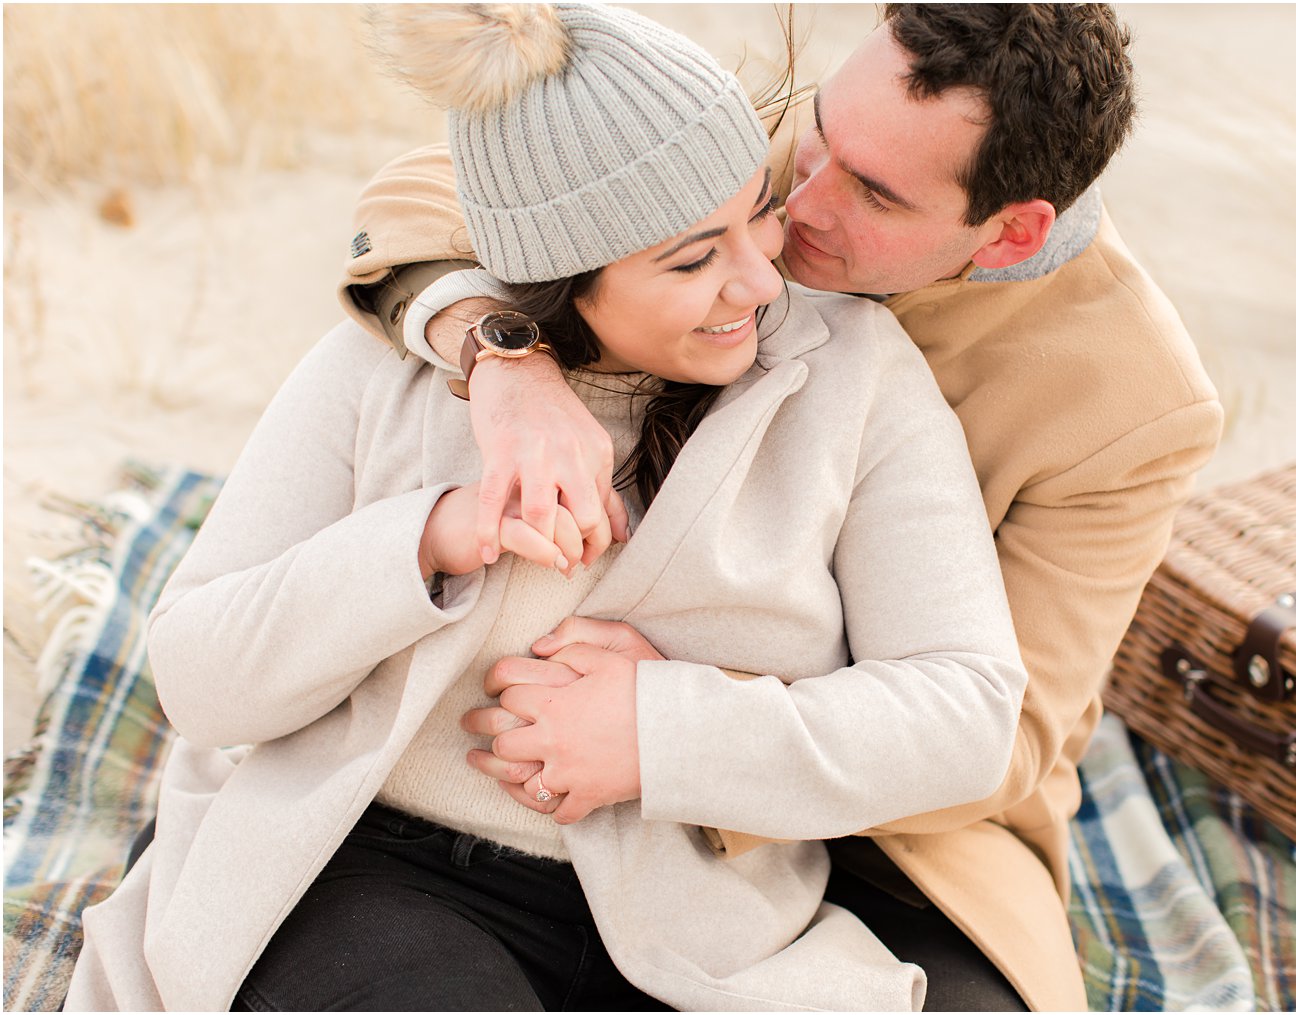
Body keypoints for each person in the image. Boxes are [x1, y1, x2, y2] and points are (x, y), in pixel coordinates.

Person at [63, 4, 1027, 1011]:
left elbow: (963, 711)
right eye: (690, 260)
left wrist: (664, 732)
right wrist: (421, 541)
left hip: (709, 923)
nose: (758, 278)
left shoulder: (854, 375)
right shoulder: (385, 368)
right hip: (383, 877)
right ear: (566, 279)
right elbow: (199, 677)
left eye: (761, 209)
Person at [340, 4, 1225, 1010]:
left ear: (1011, 230)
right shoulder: (791, 145)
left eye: (875, 197)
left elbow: (1005, 738)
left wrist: (675, 719)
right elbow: (425, 186)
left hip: (888, 836)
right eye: (818, 131)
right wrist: (501, 355)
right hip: (546, 755)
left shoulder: (1137, 404)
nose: (799, 201)